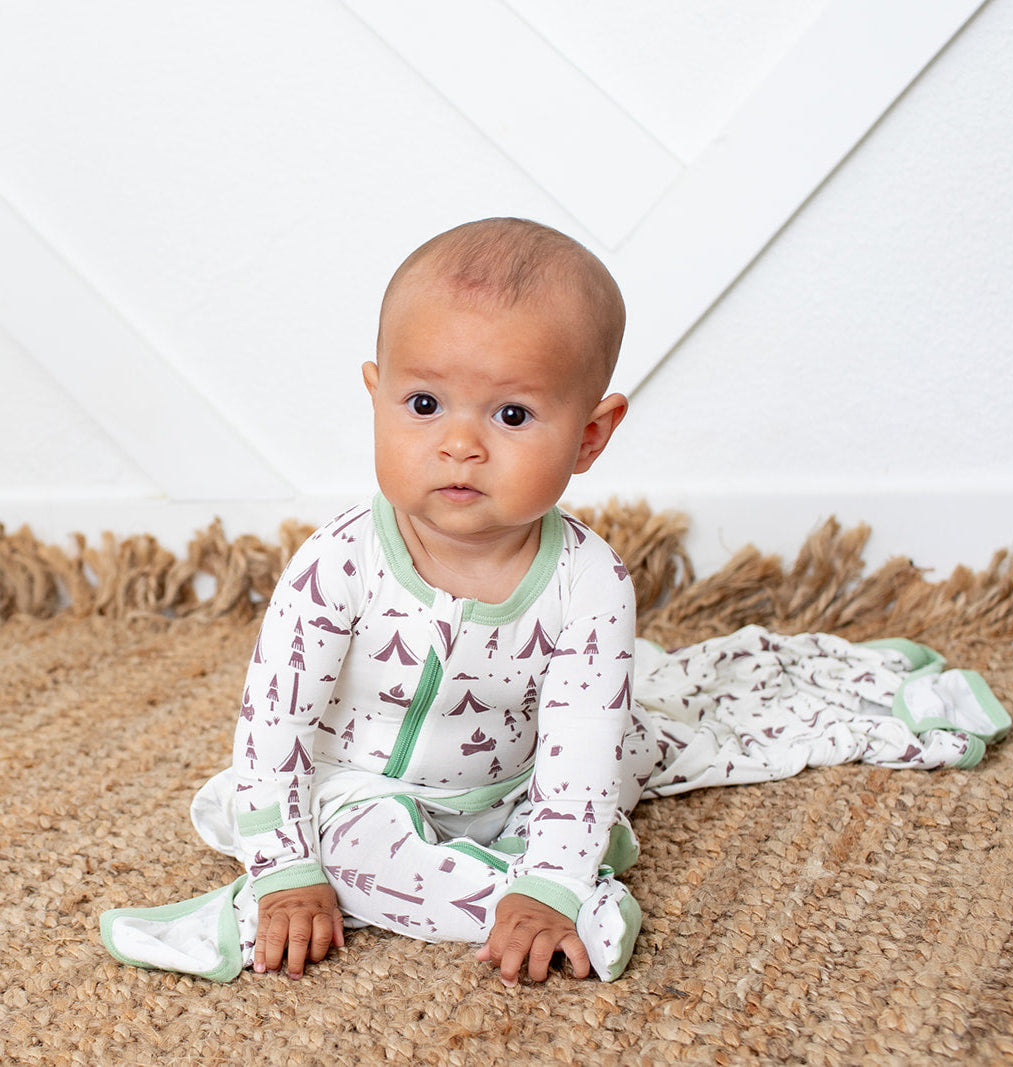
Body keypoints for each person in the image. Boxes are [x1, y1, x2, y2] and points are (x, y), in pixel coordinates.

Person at [101, 217, 660, 986]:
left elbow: (579, 747)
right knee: (346, 852)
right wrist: (284, 868)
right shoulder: (339, 561)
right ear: (377, 397)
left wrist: (553, 873)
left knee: (614, 758)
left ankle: (548, 875)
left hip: (510, 783)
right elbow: (275, 728)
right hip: (352, 789)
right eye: (425, 403)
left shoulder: (590, 579)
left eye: (512, 415)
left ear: (590, 437)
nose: (460, 444)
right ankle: (538, 894)